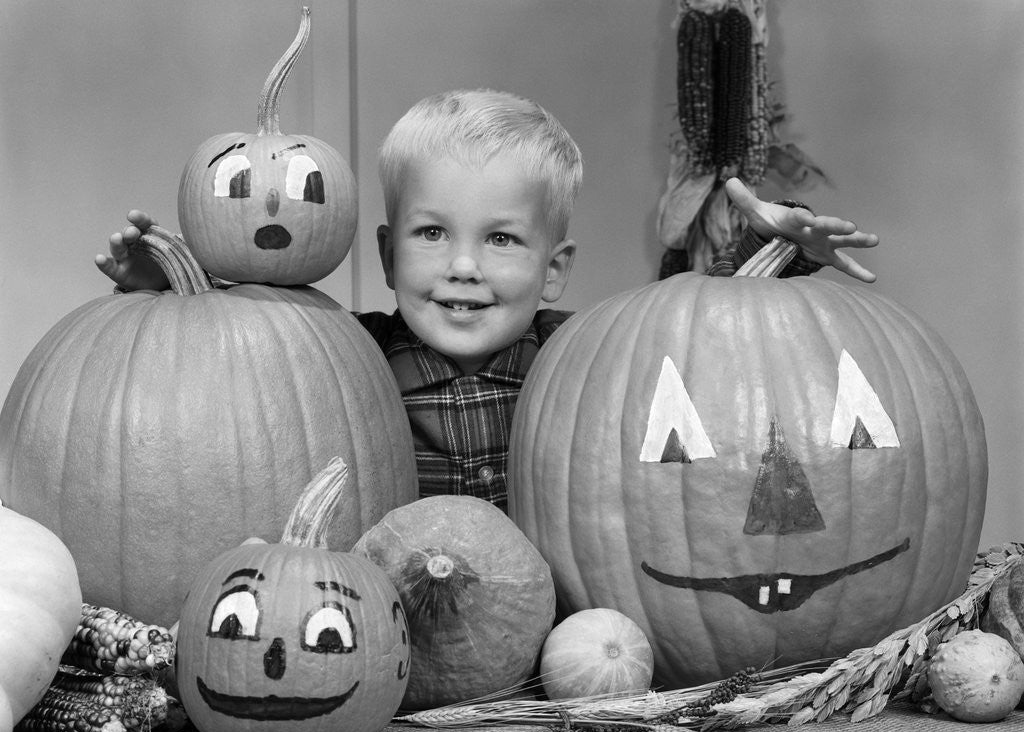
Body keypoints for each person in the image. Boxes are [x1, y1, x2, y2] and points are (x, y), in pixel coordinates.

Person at [96, 88, 879, 511]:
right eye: (432, 234)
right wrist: (174, 284)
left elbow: (697, 341)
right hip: (392, 604)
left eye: (502, 241)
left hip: (549, 606)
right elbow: (242, 352)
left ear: (554, 269)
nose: (463, 267)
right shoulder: (350, 353)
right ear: (386, 254)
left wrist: (782, 256)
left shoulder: (581, 356)